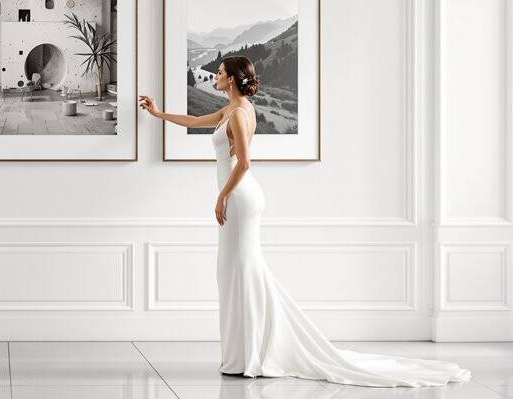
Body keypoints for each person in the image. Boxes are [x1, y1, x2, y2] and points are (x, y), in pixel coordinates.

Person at [138, 56, 472, 387]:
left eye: (221, 73)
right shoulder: (232, 109)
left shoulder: (239, 114)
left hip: (240, 198)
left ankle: (253, 353)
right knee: (235, 273)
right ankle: (244, 353)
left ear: (234, 79)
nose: (216, 76)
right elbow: (195, 121)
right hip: (241, 197)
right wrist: (157, 113)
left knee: (241, 271)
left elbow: (245, 163)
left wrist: (222, 195)